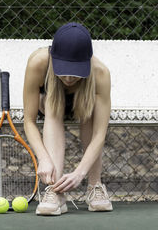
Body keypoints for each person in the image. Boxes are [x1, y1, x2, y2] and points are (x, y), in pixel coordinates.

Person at [23, 22, 113, 216]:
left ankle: (95, 186)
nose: (70, 78)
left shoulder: (100, 73)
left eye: (76, 71)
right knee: (51, 104)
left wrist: (79, 173)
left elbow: (100, 134)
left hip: (83, 106)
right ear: (53, 58)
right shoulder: (38, 62)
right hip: (49, 105)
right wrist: (44, 158)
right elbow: (29, 121)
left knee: (90, 112)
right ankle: (55, 192)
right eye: (64, 69)